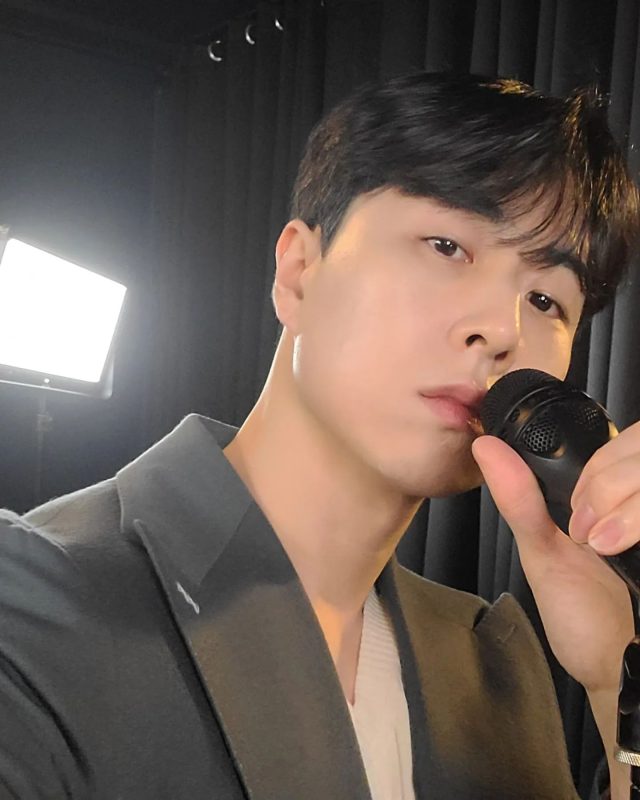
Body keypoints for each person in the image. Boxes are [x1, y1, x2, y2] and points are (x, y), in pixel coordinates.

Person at [0, 72, 639, 800]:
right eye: (446, 245)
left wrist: (614, 678)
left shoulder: (493, 660)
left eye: (546, 299)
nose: (501, 330)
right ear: (300, 272)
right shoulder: (34, 601)